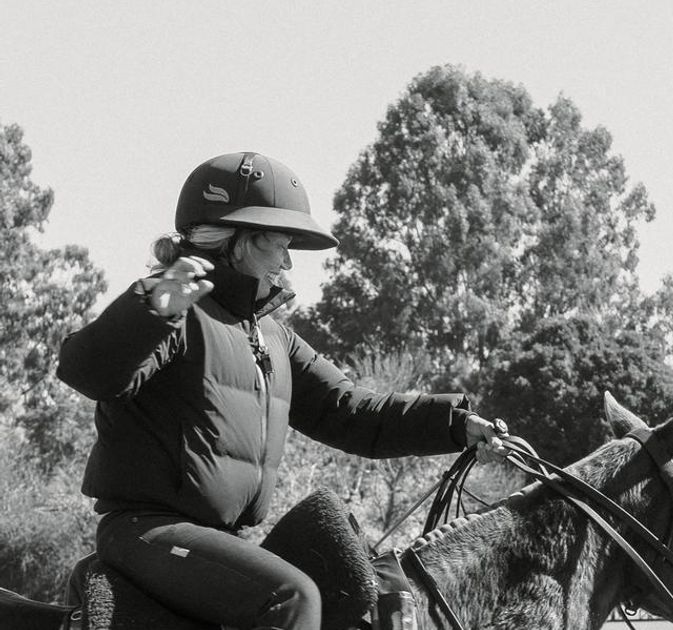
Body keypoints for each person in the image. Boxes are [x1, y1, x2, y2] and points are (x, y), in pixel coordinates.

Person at [56, 152, 508, 630]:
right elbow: (90, 373)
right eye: (280, 246)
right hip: (145, 532)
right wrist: (152, 306)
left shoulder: (273, 336)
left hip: (220, 539)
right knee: (290, 596)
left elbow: (351, 411)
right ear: (237, 241)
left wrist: (455, 424)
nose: (288, 263)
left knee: (361, 588)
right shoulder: (171, 310)